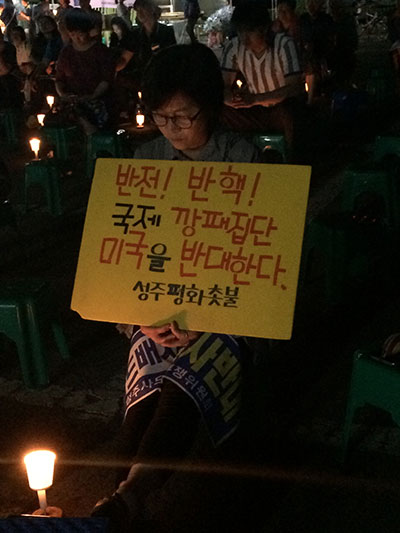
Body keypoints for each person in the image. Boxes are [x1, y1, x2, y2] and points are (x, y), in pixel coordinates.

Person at [91, 43, 261, 533]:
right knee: (150, 366)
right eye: (161, 117)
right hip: (155, 314)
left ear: (211, 105)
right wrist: (137, 319)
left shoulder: (247, 163)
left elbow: (260, 267)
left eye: (184, 116)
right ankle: (125, 494)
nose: (173, 128)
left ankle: (128, 495)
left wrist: (213, 315)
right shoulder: (145, 163)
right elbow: (123, 263)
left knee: (195, 368)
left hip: (228, 317)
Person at [221, 1, 304, 153]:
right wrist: (231, 99)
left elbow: (295, 87)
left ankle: (293, 161)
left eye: (249, 32)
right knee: (221, 113)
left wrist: (257, 98)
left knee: (287, 114)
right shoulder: (234, 47)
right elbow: (223, 84)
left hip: (281, 107)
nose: (244, 39)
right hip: (254, 110)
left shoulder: (284, 45)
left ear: (265, 29)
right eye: (240, 32)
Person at [55, 9, 115, 133]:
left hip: (97, 99)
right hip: (72, 99)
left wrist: (92, 96)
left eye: (80, 34)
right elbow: (59, 79)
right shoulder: (66, 53)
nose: (77, 38)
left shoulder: (100, 51)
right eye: (72, 35)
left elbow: (106, 79)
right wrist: (63, 94)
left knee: (86, 113)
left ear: (88, 32)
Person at [130, 0, 176, 84]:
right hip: (143, 80)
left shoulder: (168, 32)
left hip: (164, 78)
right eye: (137, 11)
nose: (140, 13)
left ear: (152, 10)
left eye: (142, 9)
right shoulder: (134, 35)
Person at [299, 0, 335, 104]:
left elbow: (331, 41)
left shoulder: (326, 20)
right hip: (305, 55)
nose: (310, 5)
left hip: (321, 55)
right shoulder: (303, 19)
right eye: (308, 2)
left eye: (314, 2)